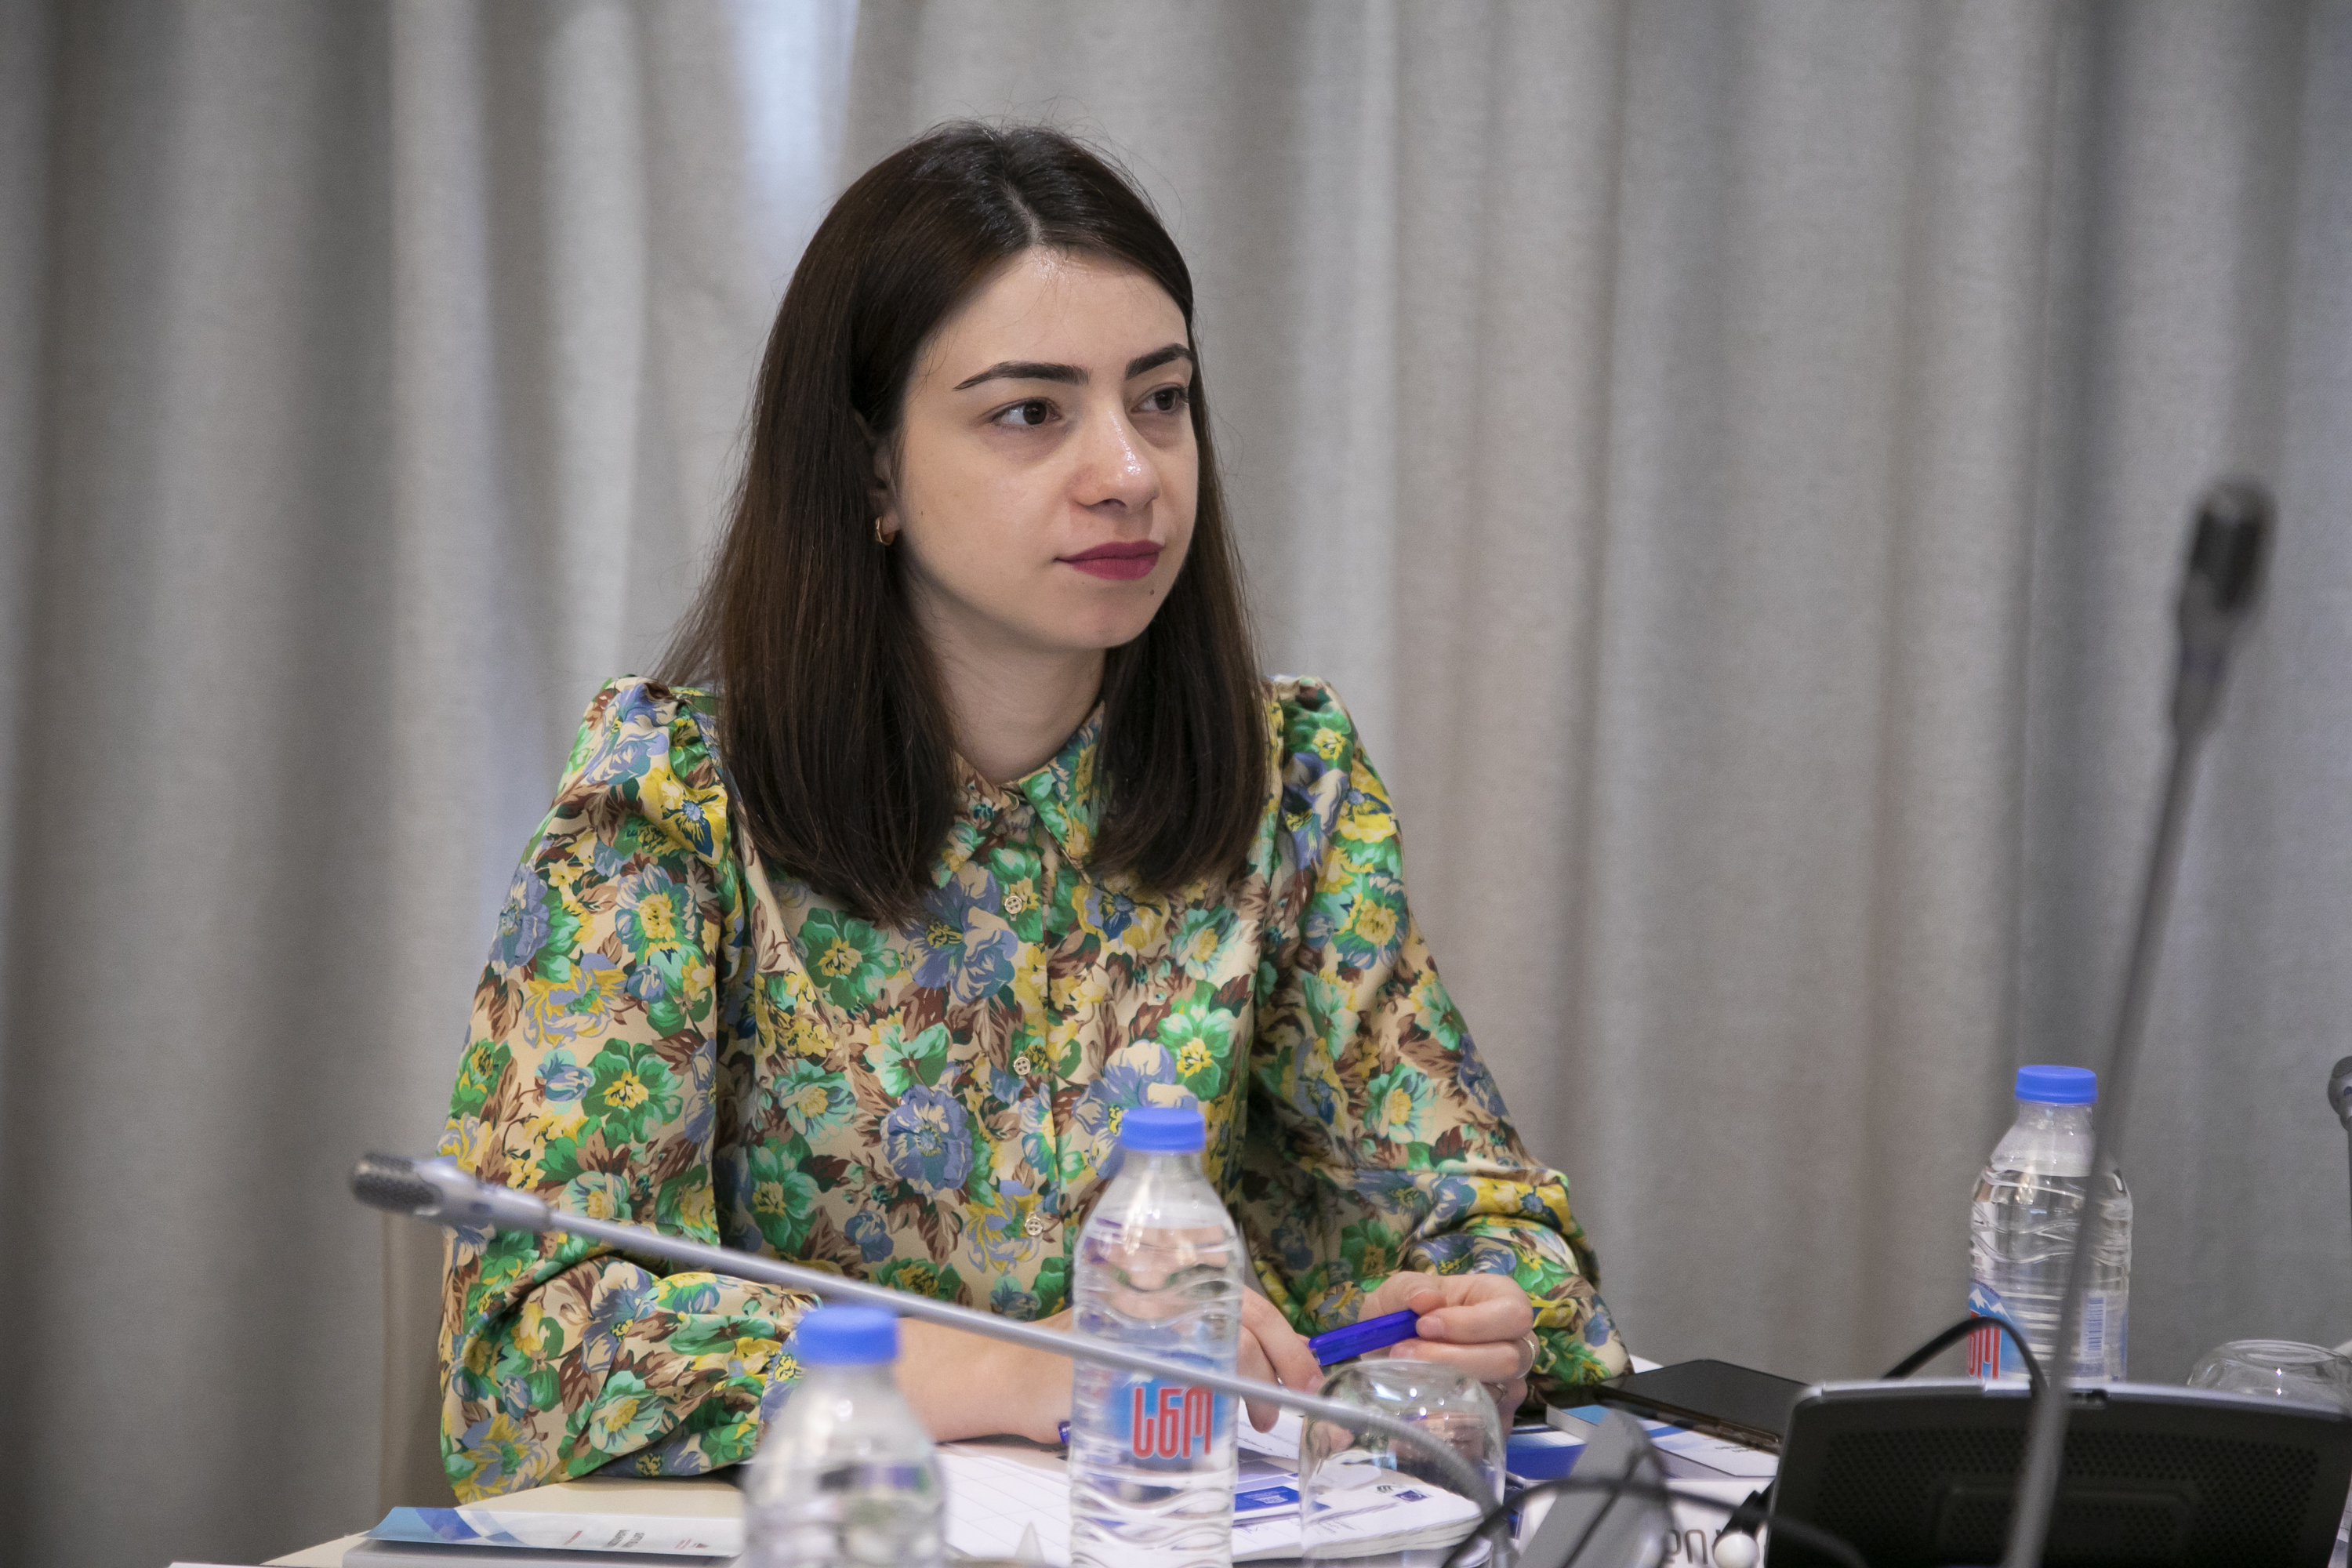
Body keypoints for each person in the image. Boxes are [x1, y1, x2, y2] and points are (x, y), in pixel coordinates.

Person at [436, 121, 1628, 1502]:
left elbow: (1490, 1223)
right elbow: (526, 1351)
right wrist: (1016, 1368)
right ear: (873, 470)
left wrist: (1479, 1312)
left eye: (1161, 399)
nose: (1130, 471)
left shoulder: (1287, 779)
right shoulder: (668, 804)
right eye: (1031, 413)